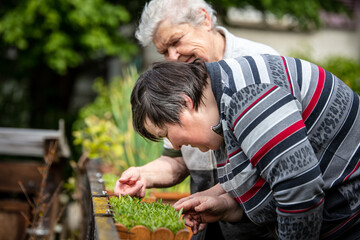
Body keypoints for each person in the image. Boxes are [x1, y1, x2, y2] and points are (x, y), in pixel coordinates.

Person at [130, 55, 360, 240]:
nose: (176, 144)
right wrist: (226, 205)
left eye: (167, 134)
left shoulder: (248, 97)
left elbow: (300, 190)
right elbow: (270, 175)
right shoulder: (220, 94)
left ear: (184, 103)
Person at [114, 0, 278, 239]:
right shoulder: (180, 80)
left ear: (205, 19)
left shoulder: (259, 63)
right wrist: (142, 176)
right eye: (163, 52)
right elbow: (175, 160)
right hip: (205, 224)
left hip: (261, 228)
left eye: (176, 41)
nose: (172, 57)